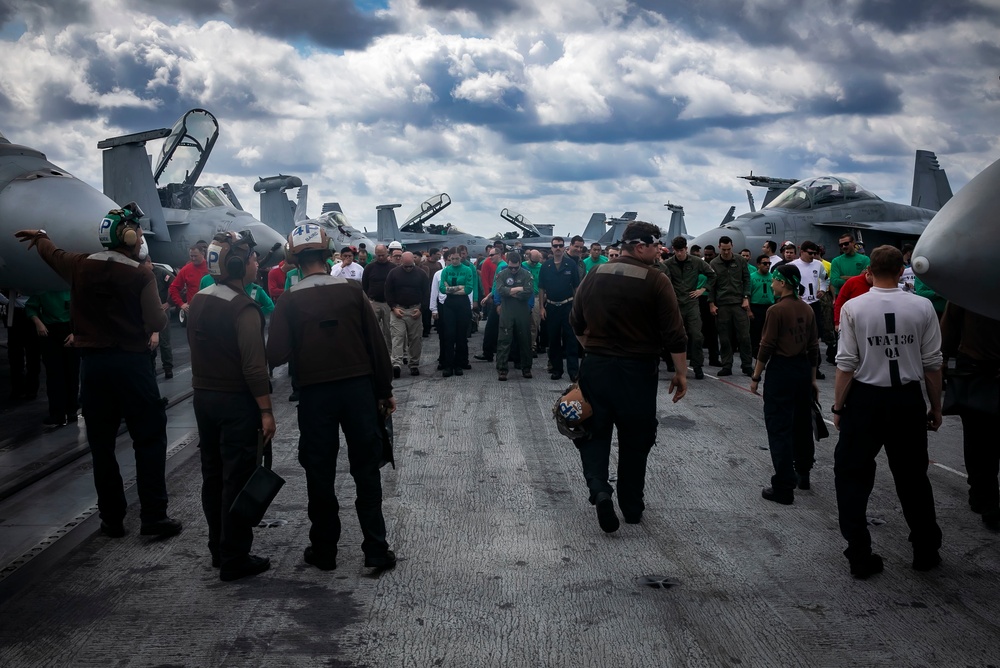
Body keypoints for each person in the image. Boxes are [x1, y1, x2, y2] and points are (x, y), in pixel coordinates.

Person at [16, 205, 182, 539]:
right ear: (131, 238)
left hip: (93, 368)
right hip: (132, 366)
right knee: (148, 439)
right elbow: (157, 322)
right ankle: (153, 517)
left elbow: (53, 254)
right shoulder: (139, 274)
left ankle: (111, 519)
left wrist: (43, 238)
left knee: (102, 445)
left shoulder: (80, 266)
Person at [267, 223, 397, 571]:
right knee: (366, 470)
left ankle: (324, 549)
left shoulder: (290, 299)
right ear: (328, 255)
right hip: (358, 391)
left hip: (315, 396)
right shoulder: (353, 292)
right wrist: (384, 391)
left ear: (295, 260)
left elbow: (275, 352)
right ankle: (375, 549)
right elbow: (377, 346)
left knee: (319, 472)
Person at [832, 245, 944, 579]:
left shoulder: (853, 307)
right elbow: (933, 364)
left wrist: (839, 406)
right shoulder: (922, 306)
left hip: (865, 399)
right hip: (906, 401)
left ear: (868, 272)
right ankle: (925, 550)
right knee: (913, 479)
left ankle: (859, 554)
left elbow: (846, 365)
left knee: (851, 477)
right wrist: (935, 406)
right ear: (901, 272)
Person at [571, 222, 688, 532]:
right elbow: (675, 334)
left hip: (596, 367)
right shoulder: (656, 280)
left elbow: (576, 320)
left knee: (592, 432)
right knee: (636, 439)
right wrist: (680, 372)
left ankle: (599, 490)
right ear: (640, 247)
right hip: (637, 371)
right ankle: (632, 506)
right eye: (656, 246)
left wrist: (594, 351)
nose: (660, 251)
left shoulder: (594, 274)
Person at [188, 231, 274, 581]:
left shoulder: (199, 299)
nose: (257, 264)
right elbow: (254, 366)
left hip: (203, 398)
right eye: (253, 260)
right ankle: (235, 556)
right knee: (238, 477)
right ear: (238, 265)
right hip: (236, 402)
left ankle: (217, 548)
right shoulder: (243, 307)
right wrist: (266, 410)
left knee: (213, 475)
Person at [749, 264, 819, 504]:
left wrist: (756, 376)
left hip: (781, 371)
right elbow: (813, 348)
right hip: (801, 370)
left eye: (774, 281)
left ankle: (783, 486)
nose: (771, 284)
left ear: (783, 283)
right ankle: (803, 472)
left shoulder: (775, 311)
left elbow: (766, 346)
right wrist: (812, 379)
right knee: (801, 424)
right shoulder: (807, 309)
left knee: (779, 427)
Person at [940, 303, 1000, 528]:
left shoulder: (967, 286)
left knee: (977, 438)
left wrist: (944, 359)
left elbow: (949, 328)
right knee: (980, 437)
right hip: (977, 369)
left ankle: (983, 496)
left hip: (974, 369)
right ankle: (984, 497)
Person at [660, 235, 715, 379]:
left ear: (686, 249)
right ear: (674, 250)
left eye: (682, 250)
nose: (679, 253)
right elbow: (660, 279)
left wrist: (702, 290)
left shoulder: (696, 262)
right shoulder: (668, 264)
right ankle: (671, 362)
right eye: (677, 250)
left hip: (691, 304)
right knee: (673, 336)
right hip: (675, 304)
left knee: (697, 336)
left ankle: (697, 366)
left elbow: (712, 275)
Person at [26, 289, 79, 425]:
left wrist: (75, 332)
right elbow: (31, 307)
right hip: (49, 332)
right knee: (54, 373)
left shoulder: (70, 288)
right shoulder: (43, 288)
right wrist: (38, 323)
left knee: (72, 372)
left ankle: (72, 410)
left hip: (70, 331)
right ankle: (57, 413)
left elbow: (82, 311)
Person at [538, 236, 581, 381]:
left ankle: (573, 371)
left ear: (564, 247)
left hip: (567, 306)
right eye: (555, 245)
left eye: (560, 245)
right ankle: (557, 370)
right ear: (551, 248)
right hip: (551, 306)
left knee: (570, 340)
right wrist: (542, 308)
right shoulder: (546, 266)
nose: (557, 248)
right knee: (554, 340)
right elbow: (541, 288)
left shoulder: (571, 264)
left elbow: (576, 287)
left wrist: (578, 307)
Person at [709, 236, 753, 376]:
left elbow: (747, 279)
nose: (726, 252)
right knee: (724, 337)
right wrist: (711, 303)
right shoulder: (714, 263)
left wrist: (746, 297)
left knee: (744, 337)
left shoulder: (740, 260)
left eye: (728, 249)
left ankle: (746, 365)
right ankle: (726, 365)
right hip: (722, 305)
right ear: (719, 247)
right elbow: (711, 285)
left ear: (732, 246)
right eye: (723, 249)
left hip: (739, 304)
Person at [385, 251, 428, 377]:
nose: (408, 269)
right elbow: (388, 291)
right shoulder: (393, 273)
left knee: (415, 339)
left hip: (415, 309)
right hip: (398, 309)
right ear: (401, 263)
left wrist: (421, 310)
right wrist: (393, 307)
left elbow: (426, 293)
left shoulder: (421, 274)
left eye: (411, 266)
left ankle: (414, 364)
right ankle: (396, 364)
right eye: (406, 266)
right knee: (397, 337)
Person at [494, 251, 534, 381]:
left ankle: (526, 368)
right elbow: (500, 290)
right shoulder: (502, 273)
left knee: (525, 340)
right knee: (503, 340)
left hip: (522, 311)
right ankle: (502, 369)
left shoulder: (526, 274)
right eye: (511, 267)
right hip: (507, 311)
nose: (513, 270)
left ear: (520, 264)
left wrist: (510, 292)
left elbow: (528, 292)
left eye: (516, 267)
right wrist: (518, 289)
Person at [438, 249, 475, 377]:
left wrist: (451, 289)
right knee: (449, 335)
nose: (454, 261)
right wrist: (460, 287)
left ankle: (459, 364)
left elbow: (468, 289)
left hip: (462, 304)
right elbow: (442, 289)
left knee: (461, 335)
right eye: (452, 259)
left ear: (461, 258)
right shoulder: (446, 271)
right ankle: (448, 365)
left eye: (457, 259)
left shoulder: (467, 270)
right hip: (449, 305)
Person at [145, 256, 175, 378]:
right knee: (149, 342)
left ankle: (168, 367)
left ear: (149, 262)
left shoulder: (162, 273)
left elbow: (174, 285)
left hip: (162, 310)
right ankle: (151, 368)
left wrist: (169, 302)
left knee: (164, 341)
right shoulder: (142, 274)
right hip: (148, 312)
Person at [362, 244, 394, 353]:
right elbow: (364, 285)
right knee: (373, 330)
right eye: (378, 255)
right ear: (375, 254)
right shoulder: (369, 268)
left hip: (388, 304)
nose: (381, 257)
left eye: (383, 255)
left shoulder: (393, 268)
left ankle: (390, 353)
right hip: (374, 302)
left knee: (389, 330)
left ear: (387, 253)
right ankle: (374, 352)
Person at [168, 242, 209, 319]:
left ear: (202, 254)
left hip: (210, 309)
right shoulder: (186, 269)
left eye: (195, 256)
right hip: (193, 310)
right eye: (191, 256)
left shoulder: (211, 267)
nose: (193, 259)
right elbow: (173, 287)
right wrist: (181, 304)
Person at [748, 254, 775, 359]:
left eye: (769, 263)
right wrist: (749, 310)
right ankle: (755, 354)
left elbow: (776, 294)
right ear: (758, 264)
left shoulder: (773, 277)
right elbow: (748, 294)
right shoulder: (752, 277)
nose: (767, 266)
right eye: (764, 263)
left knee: (768, 332)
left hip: (769, 307)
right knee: (755, 332)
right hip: (756, 307)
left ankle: (767, 353)